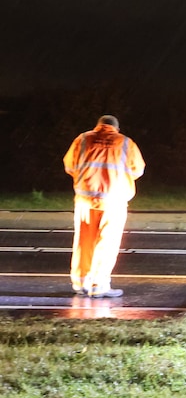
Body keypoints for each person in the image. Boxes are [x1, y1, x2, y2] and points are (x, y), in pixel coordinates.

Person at [63, 115, 146, 298]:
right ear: (116, 128)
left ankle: (80, 282)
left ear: (98, 125)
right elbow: (137, 170)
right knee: (106, 244)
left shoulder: (83, 139)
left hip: (85, 200)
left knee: (83, 242)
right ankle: (97, 285)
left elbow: (70, 166)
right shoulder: (126, 143)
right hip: (113, 202)